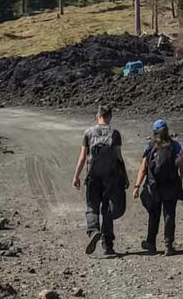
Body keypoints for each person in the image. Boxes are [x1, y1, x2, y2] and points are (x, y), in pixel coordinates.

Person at [72, 104, 127, 256]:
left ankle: (93, 230)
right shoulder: (115, 133)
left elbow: (83, 157)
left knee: (91, 206)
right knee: (107, 210)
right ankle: (107, 246)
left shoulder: (88, 133)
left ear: (97, 116)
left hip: (93, 176)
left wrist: (76, 176)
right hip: (111, 176)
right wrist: (125, 176)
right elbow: (118, 157)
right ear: (110, 117)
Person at [132, 119, 183, 256]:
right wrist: (179, 179)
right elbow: (182, 166)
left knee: (154, 214)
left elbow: (143, 168)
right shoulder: (175, 146)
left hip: (154, 186)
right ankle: (168, 245)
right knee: (169, 214)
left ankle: (151, 244)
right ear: (167, 130)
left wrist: (137, 186)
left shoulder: (150, 146)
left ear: (154, 132)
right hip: (171, 185)